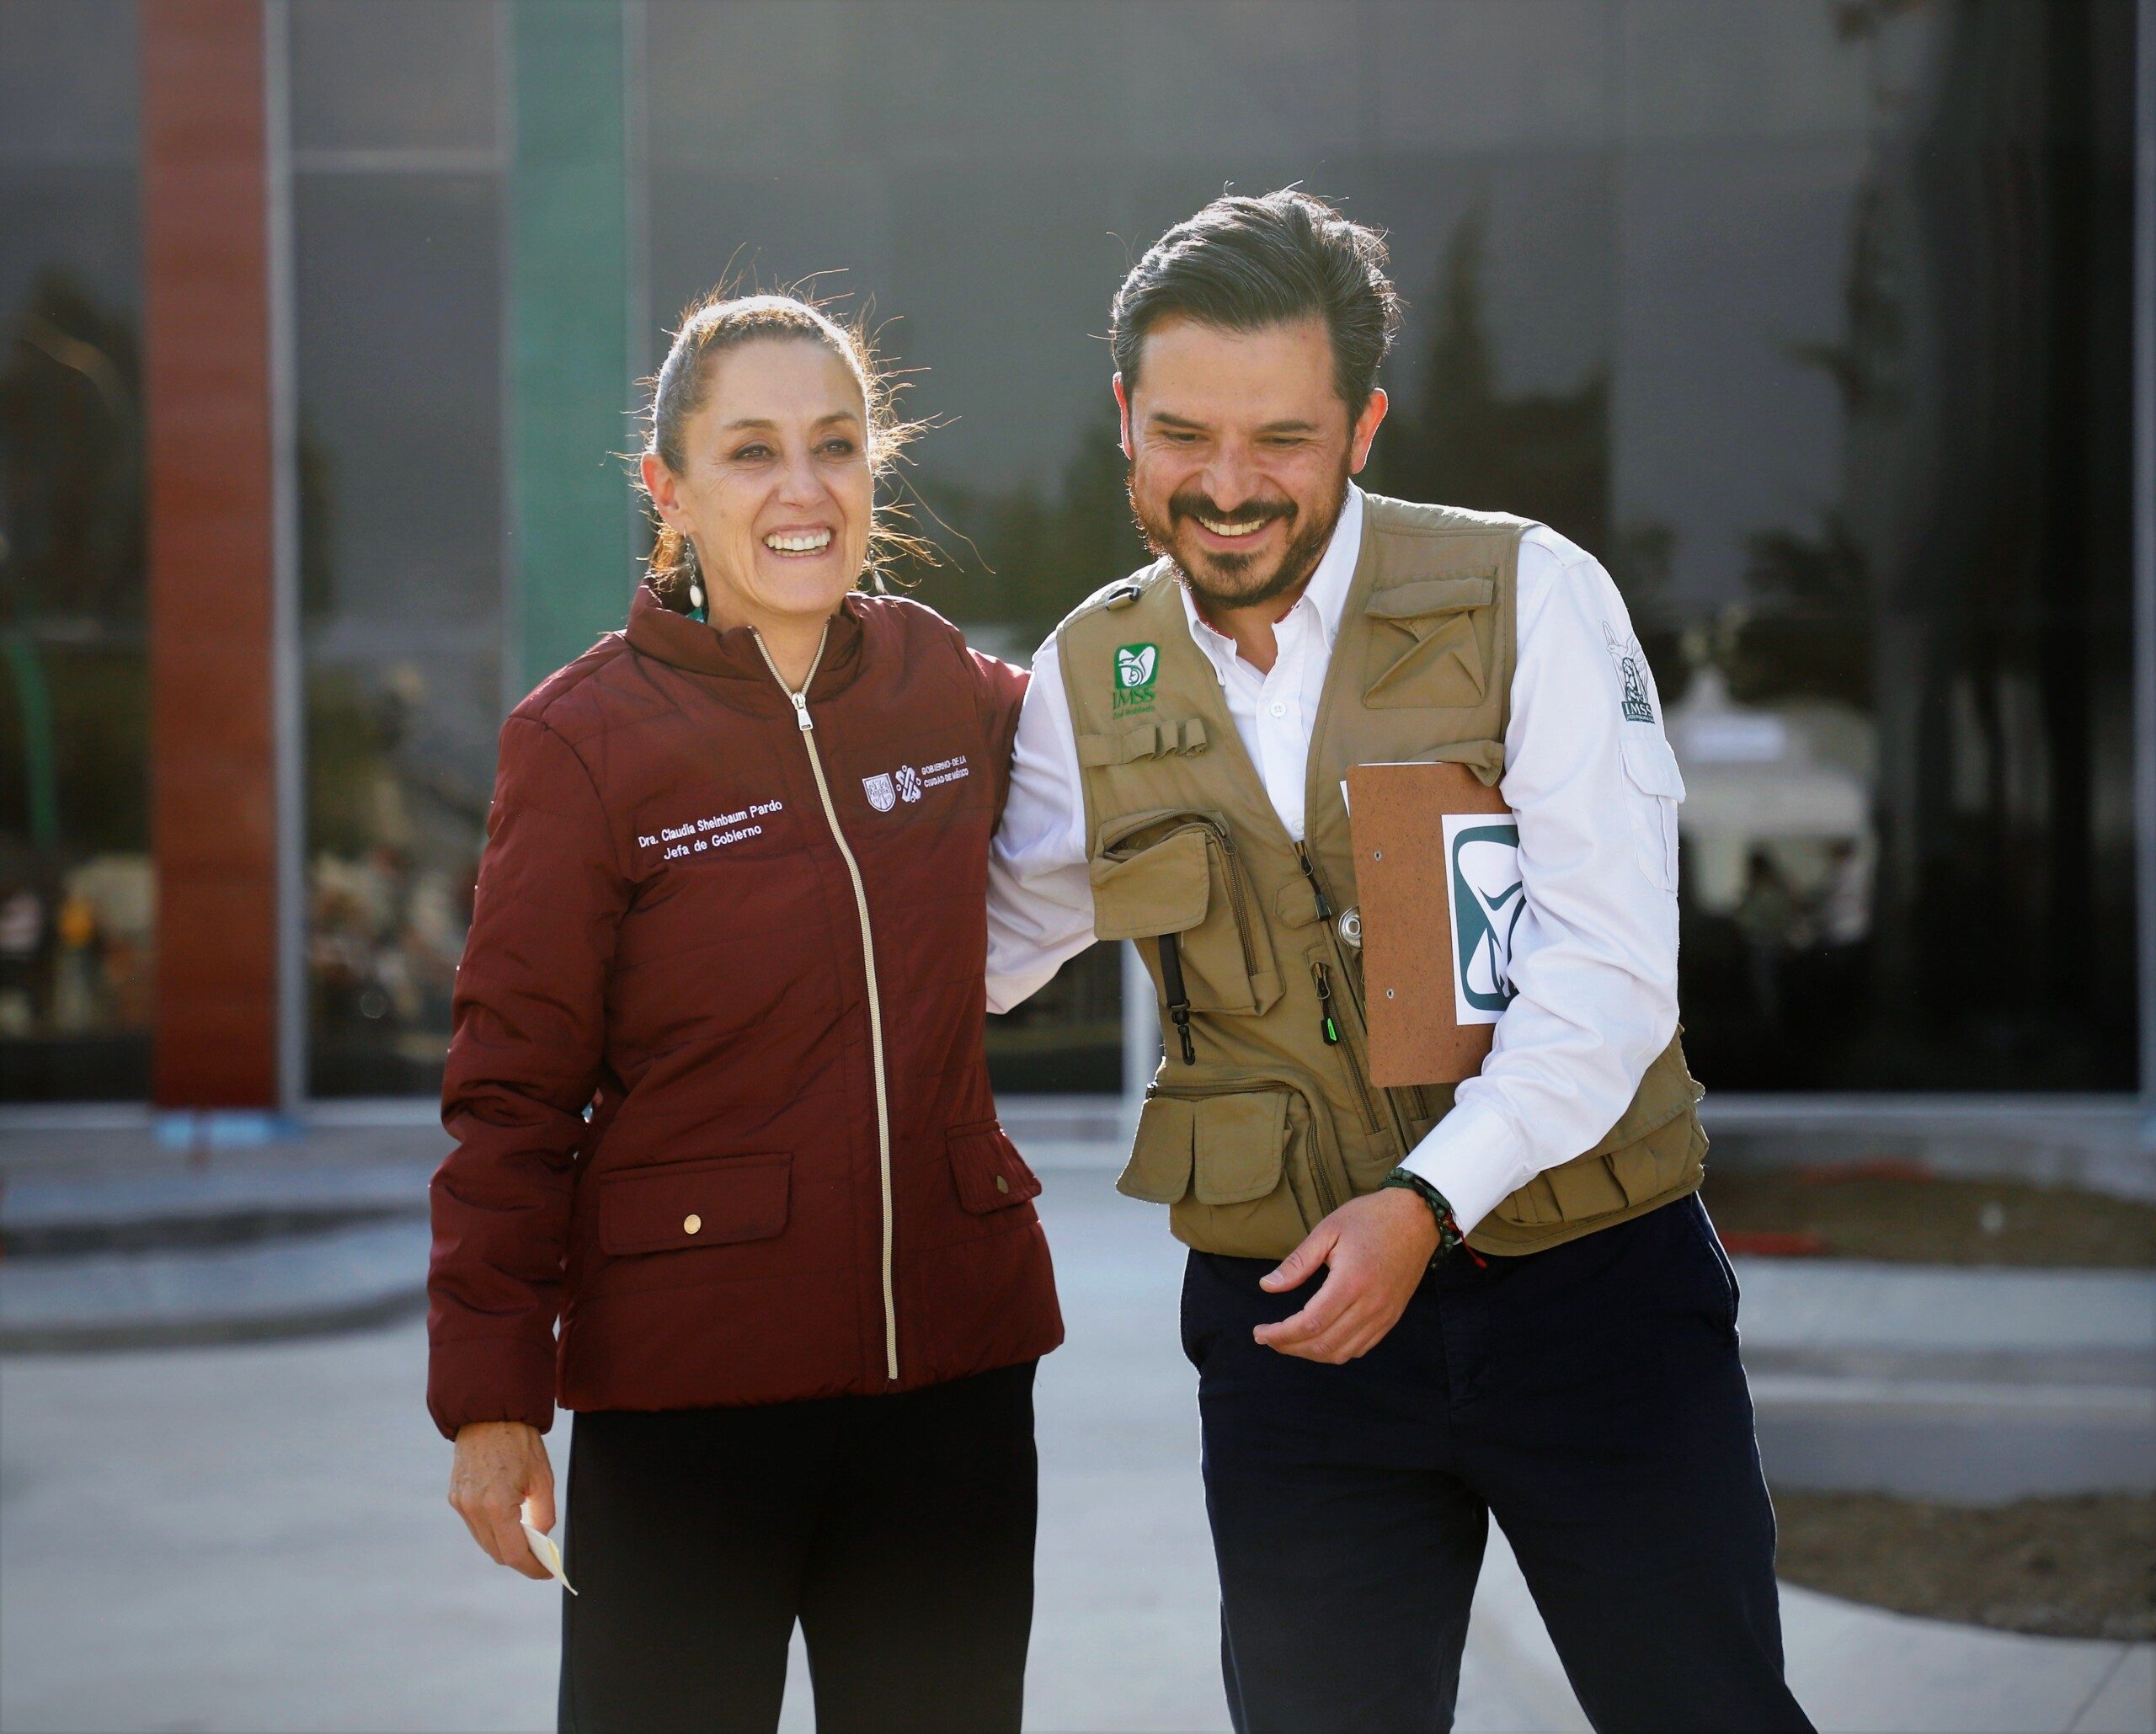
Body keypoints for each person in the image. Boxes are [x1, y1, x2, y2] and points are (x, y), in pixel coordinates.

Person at [988, 192, 1814, 1733]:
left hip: (1592, 1298)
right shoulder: (1083, 682)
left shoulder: (1532, 596)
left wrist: (1428, 1203)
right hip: (1298, 1330)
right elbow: (972, 957)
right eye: (1183, 436)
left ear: (1363, 424)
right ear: (1123, 420)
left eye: (1283, 440)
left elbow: (1614, 972)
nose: (1227, 489)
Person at [426, 291, 1062, 1734]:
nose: (802, 489)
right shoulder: (581, 743)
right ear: (671, 489)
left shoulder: (940, 687)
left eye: (835, 445)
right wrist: (492, 1395)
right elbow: (510, 1091)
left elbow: (1143, 757)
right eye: (752, 450)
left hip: (951, 1387)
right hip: (688, 1398)